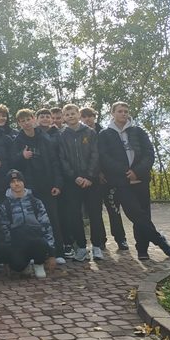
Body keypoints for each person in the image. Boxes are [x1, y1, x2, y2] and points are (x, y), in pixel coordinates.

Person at [98, 102, 170, 260]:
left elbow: (149, 154)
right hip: (121, 182)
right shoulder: (105, 134)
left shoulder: (138, 131)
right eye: (120, 111)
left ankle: (142, 250)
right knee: (135, 214)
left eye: (126, 111)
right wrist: (125, 172)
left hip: (140, 180)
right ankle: (160, 241)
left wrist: (137, 171)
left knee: (144, 215)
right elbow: (104, 158)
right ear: (112, 113)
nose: (123, 114)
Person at [13, 109, 66, 264]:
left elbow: (55, 162)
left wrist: (58, 183)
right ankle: (34, 255)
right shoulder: (17, 141)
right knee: (31, 222)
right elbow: (12, 164)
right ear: (19, 123)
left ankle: (57, 252)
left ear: (33, 119)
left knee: (52, 220)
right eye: (22, 121)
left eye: (28, 119)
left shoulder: (46, 138)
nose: (26, 123)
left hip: (47, 185)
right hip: (28, 188)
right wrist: (21, 157)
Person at [58, 104, 104, 262]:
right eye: (67, 114)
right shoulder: (62, 135)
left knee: (95, 214)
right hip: (73, 182)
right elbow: (62, 159)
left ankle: (97, 246)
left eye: (73, 113)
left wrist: (89, 176)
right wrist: (74, 177)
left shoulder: (90, 132)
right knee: (74, 215)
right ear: (63, 117)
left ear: (79, 114)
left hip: (92, 181)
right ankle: (82, 247)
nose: (70, 116)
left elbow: (96, 155)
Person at [81, 106, 128, 250]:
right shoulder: (80, 134)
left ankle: (121, 239)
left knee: (113, 209)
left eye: (90, 116)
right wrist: (95, 173)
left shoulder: (105, 132)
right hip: (92, 179)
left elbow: (106, 155)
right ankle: (100, 240)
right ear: (81, 118)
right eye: (85, 116)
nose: (88, 119)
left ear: (95, 117)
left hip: (108, 178)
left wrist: (104, 172)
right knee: (95, 212)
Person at [0, 170, 55, 279]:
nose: (16, 184)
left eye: (19, 180)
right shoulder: (5, 206)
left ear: (24, 182)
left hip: (36, 240)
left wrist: (51, 253)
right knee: (17, 264)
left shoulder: (36, 202)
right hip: (18, 244)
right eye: (13, 182)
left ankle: (38, 264)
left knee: (41, 244)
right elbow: (4, 229)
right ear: (9, 185)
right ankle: (25, 265)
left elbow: (46, 225)